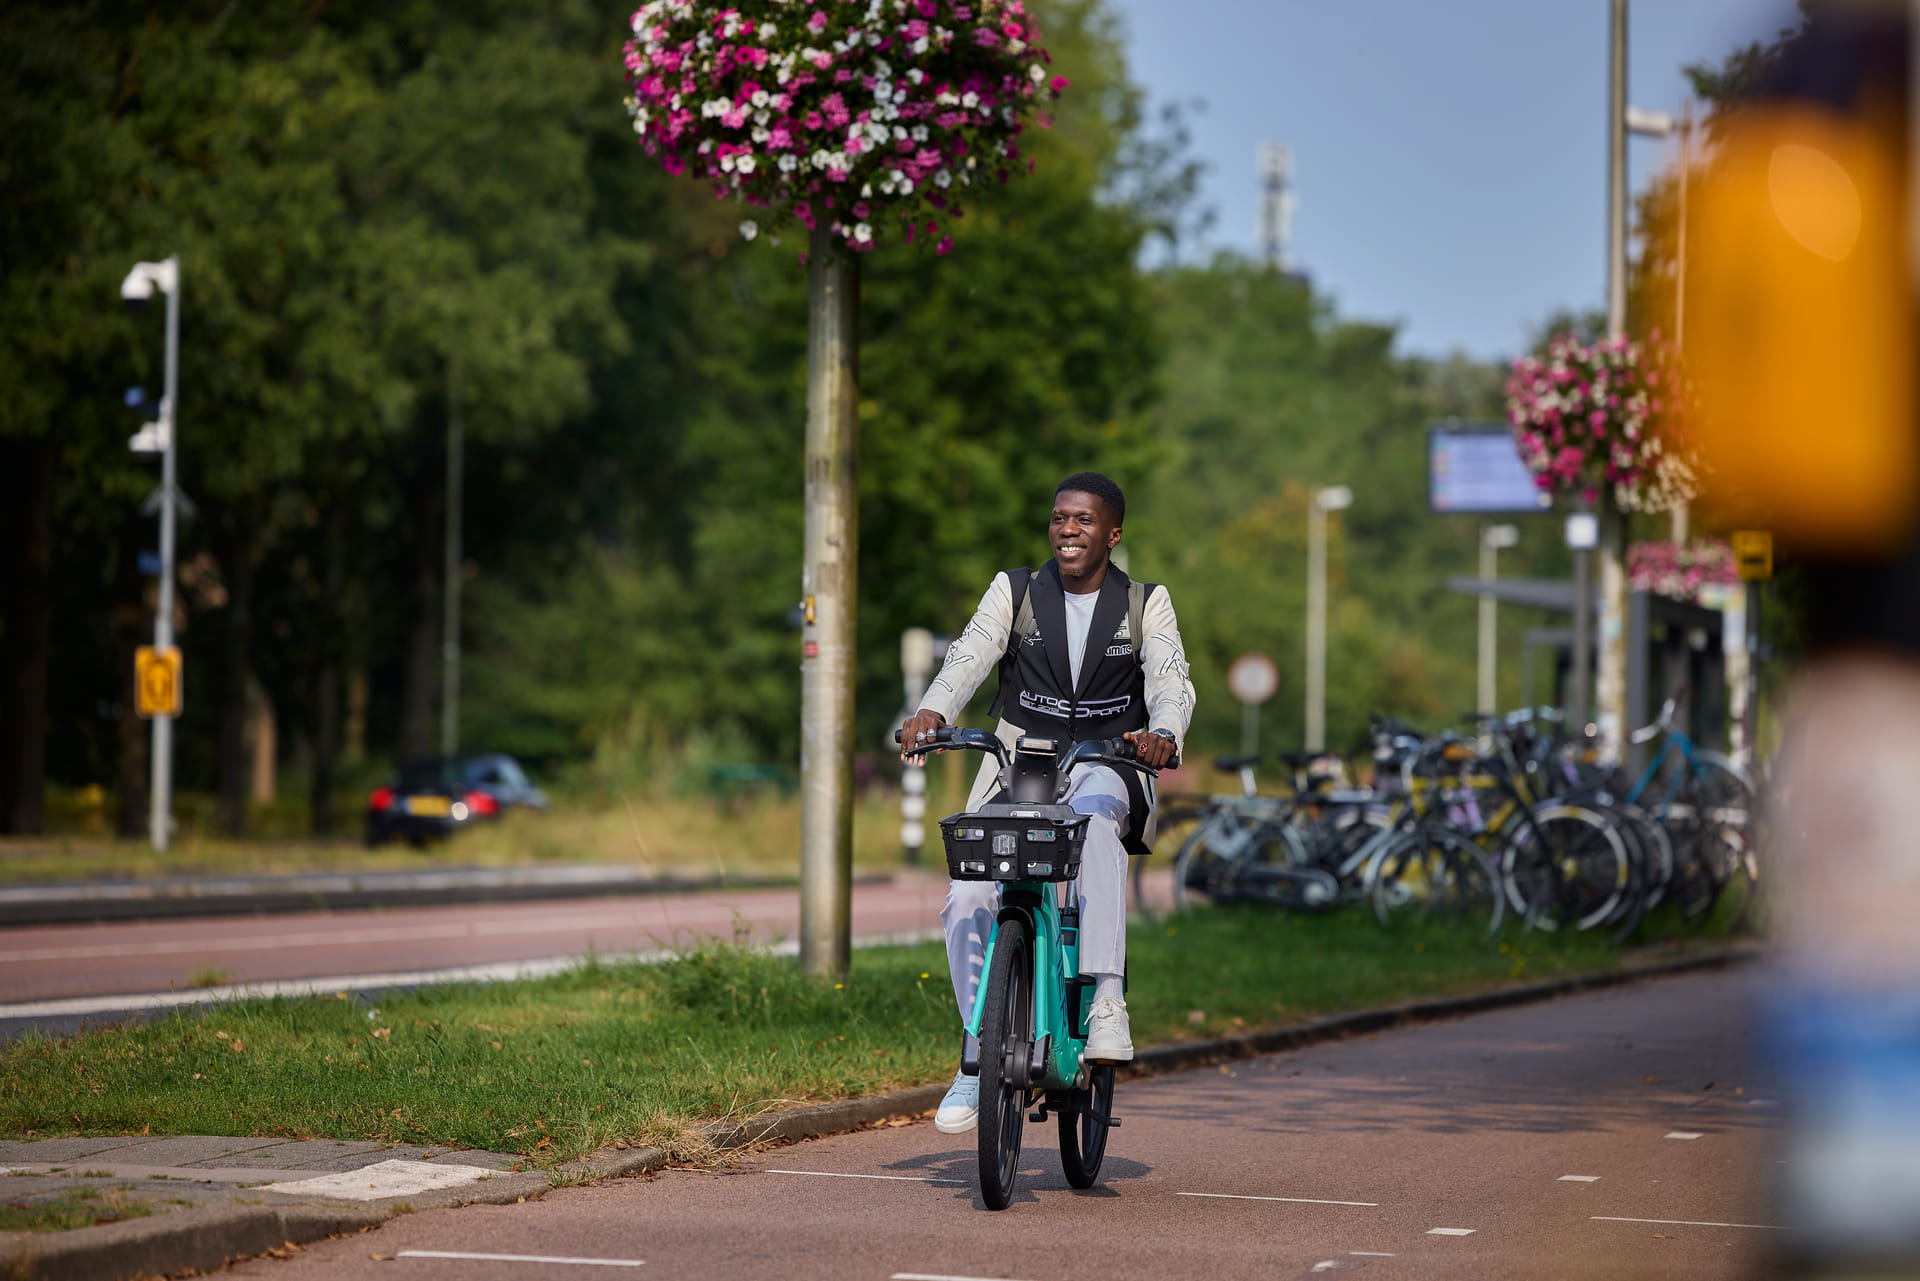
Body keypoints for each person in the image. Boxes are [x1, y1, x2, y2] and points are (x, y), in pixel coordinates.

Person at [900, 472, 1196, 1135]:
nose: (1068, 529)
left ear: (1113, 533)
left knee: (1093, 824)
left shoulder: (1145, 603)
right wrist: (933, 710)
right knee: (968, 896)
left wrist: (1164, 733)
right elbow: (970, 654)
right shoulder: (1016, 591)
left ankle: (1106, 1002)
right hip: (1020, 767)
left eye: (1084, 520)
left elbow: (1170, 679)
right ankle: (977, 1052)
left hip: (1105, 762)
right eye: (1060, 517)